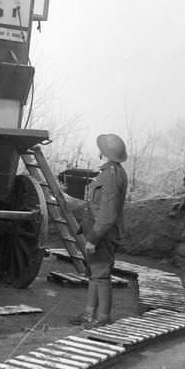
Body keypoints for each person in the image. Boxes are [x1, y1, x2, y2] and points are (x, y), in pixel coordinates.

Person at [69, 133, 128, 327]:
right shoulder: (112, 172)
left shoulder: (111, 176)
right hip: (99, 231)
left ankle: (102, 318)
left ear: (104, 152)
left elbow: (108, 214)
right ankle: (89, 314)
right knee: (95, 274)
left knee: (101, 276)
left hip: (102, 234)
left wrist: (93, 238)